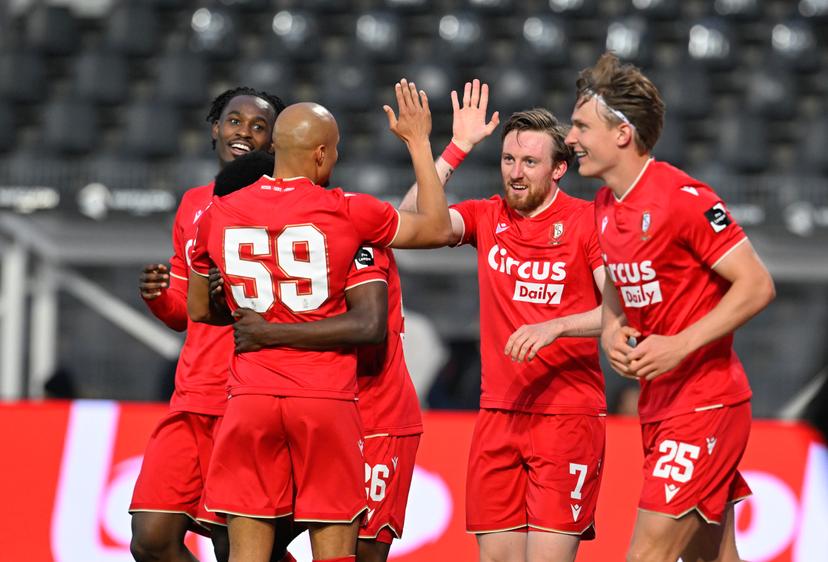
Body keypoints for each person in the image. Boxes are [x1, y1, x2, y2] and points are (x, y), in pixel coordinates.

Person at [186, 81, 453, 562]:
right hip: (325, 400)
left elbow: (200, 310)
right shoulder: (348, 212)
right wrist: (418, 143)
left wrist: (255, 320)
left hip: (249, 398)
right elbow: (435, 226)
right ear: (322, 153)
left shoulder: (216, 215)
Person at [565, 52, 775, 562]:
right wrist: (613, 327)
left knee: (647, 556)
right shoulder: (605, 206)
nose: (570, 139)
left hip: (706, 403)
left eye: (580, 126)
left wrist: (680, 345)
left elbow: (757, 285)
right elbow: (618, 284)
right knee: (713, 557)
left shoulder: (682, 197)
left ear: (621, 134)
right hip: (660, 406)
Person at [399, 81, 608, 562]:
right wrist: (458, 147)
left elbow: (620, 310)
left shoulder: (586, 222)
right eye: (509, 160)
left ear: (559, 169)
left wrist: (554, 326)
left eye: (530, 162)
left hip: (567, 416)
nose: (515, 173)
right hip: (498, 413)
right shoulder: (486, 217)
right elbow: (408, 224)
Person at [130, 87, 287, 562]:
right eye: (234, 120)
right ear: (215, 128)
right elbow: (184, 313)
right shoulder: (193, 204)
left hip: (250, 394)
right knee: (152, 538)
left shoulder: (287, 203)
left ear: (275, 143)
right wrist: (160, 299)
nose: (244, 131)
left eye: (259, 126)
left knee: (235, 546)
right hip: (193, 394)